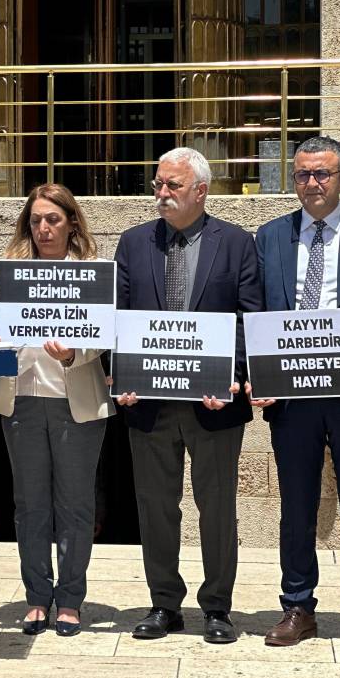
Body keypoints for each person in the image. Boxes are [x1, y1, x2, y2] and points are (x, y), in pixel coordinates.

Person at [113, 147, 261, 644]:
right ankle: (164, 604)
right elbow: (120, 317)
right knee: (156, 506)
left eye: (171, 186)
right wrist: (122, 373)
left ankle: (217, 607)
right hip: (149, 404)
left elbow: (248, 317)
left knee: (217, 507)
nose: (161, 194)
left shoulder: (238, 243)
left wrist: (232, 374)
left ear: (201, 190)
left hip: (215, 405)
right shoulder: (133, 243)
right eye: (158, 185)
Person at [250, 136, 340, 650]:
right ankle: (298, 605)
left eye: (322, 174)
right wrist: (254, 374)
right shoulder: (270, 236)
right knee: (296, 505)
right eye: (303, 174)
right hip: (292, 392)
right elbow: (254, 309)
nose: (312, 183)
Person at [0, 183, 114, 637]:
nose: (43, 228)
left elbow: (101, 336)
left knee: (75, 505)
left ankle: (71, 600)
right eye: (36, 220)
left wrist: (74, 352)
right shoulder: (10, 275)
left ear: (71, 222)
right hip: (19, 399)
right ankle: (37, 596)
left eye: (53, 219)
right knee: (29, 504)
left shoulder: (92, 273)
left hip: (75, 401)